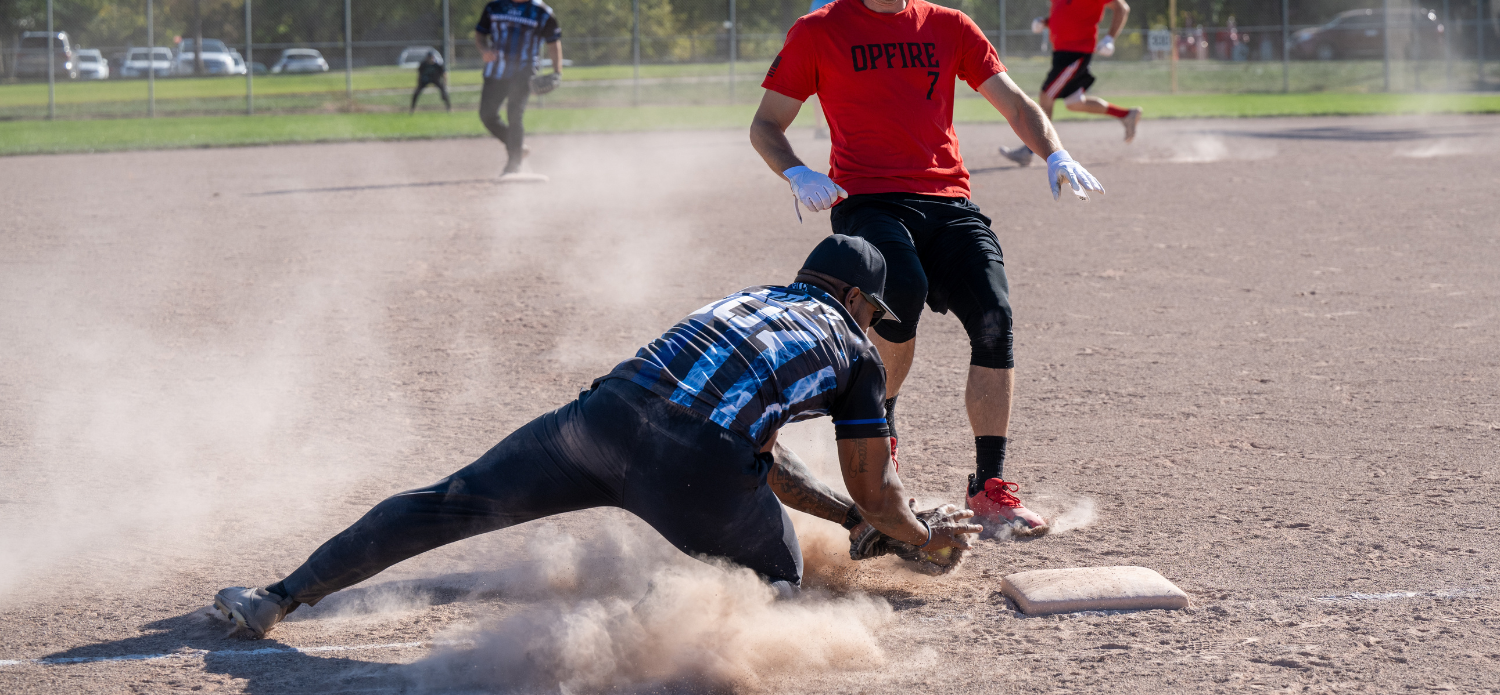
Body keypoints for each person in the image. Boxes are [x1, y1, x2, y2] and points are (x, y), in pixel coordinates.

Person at [212, 235, 982, 639]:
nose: (865, 325)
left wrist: (850, 525)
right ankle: (647, 636)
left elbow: (762, 454)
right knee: (778, 580)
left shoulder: (748, 300)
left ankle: (275, 599)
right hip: (693, 465)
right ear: (854, 298)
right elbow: (876, 490)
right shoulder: (851, 349)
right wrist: (912, 535)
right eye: (867, 311)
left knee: (445, 503)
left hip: (601, 417)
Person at [749, 0, 1105, 538]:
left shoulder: (948, 26)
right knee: (901, 288)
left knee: (994, 316)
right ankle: (877, 444)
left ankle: (990, 487)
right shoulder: (819, 31)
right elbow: (766, 125)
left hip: (947, 200)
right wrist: (797, 171)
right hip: (866, 198)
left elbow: (1016, 102)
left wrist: (1055, 150)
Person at [1002, 0, 1140, 167]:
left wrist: (1109, 38)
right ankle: (1127, 114)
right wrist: (1044, 22)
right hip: (1060, 53)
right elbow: (1063, 16)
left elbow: (1122, 8)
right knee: (1075, 102)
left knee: (1046, 95)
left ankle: (1030, 150)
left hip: (1076, 54)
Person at [474, 0, 562, 175]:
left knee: (515, 114)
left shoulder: (542, 12)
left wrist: (557, 72)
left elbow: (553, 42)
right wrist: (484, 49)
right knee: (487, 115)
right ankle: (516, 147)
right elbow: (480, 33)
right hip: (496, 70)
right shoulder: (494, 7)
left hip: (524, 70)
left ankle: (514, 165)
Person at [806, 0, 848, 140]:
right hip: (824, 51)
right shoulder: (820, 2)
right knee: (820, 89)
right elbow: (810, 25)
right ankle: (819, 127)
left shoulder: (848, 0)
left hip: (844, 52)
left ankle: (842, 126)